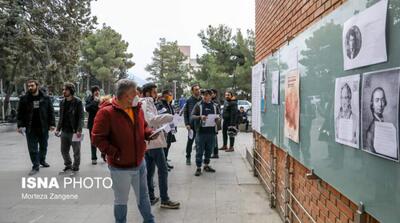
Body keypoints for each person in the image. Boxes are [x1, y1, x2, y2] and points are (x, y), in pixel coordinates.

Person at [92, 79, 155, 223]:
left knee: (143, 196)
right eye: (135, 93)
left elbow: (143, 125)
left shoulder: (136, 107)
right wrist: (116, 154)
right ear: (126, 95)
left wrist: (148, 133)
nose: (138, 95)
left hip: (140, 162)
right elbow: (97, 138)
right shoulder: (106, 113)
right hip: (120, 167)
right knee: (121, 201)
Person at [141, 83, 180, 209]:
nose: (156, 94)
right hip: (153, 142)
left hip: (150, 141)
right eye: (154, 92)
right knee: (162, 171)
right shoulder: (145, 102)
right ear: (147, 93)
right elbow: (150, 120)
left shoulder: (149, 102)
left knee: (150, 172)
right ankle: (164, 199)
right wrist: (168, 117)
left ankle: (151, 197)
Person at [17, 80, 55, 175]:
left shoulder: (45, 98)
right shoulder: (24, 99)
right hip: (30, 127)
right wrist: (20, 125)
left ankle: (42, 160)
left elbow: (51, 111)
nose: (30, 87)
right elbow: (20, 113)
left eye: (32, 85)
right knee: (32, 148)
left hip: (43, 126)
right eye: (28, 86)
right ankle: (35, 166)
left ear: (37, 86)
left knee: (43, 146)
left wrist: (52, 124)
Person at [55, 83, 84, 174]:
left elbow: (81, 117)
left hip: (75, 131)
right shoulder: (62, 102)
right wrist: (58, 129)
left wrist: (79, 130)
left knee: (76, 151)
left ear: (71, 90)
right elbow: (61, 117)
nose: (63, 91)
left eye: (65, 90)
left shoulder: (78, 102)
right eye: (63, 90)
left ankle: (75, 168)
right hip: (64, 131)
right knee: (64, 150)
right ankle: (68, 165)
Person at [191, 89, 220, 176]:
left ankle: (206, 165)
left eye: (207, 95)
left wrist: (217, 119)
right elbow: (192, 116)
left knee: (209, 150)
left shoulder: (215, 106)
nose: (205, 96)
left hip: (211, 132)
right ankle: (198, 167)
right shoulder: (198, 105)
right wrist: (200, 117)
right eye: (204, 95)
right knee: (199, 150)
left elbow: (219, 116)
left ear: (211, 96)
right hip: (201, 132)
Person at [156, 89, 176, 171]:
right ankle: (163, 164)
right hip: (164, 129)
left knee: (168, 146)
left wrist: (174, 128)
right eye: (169, 95)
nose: (170, 96)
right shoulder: (160, 104)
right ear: (164, 95)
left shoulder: (169, 104)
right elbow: (160, 115)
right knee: (164, 147)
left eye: (171, 95)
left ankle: (165, 161)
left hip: (170, 128)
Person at [183, 84, 202, 165]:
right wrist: (187, 124)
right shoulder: (189, 100)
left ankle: (199, 158)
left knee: (199, 143)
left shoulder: (202, 99)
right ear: (192, 91)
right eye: (196, 89)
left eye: (198, 89)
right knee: (190, 142)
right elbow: (185, 113)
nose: (198, 91)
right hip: (191, 125)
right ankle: (188, 157)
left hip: (200, 125)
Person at [85, 85, 104, 165]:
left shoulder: (102, 99)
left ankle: (103, 154)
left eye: (98, 90)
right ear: (92, 92)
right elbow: (87, 108)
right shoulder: (89, 99)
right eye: (95, 90)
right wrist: (95, 102)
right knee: (93, 140)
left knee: (102, 140)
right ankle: (94, 158)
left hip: (101, 123)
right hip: (92, 123)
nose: (97, 92)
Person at [365, 87, 387, 153]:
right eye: (377, 100)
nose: (380, 104)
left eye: (382, 100)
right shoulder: (371, 130)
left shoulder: (383, 123)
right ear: (372, 104)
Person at [210, 89, 221, 159]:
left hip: (214, 122)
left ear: (215, 94)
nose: (211, 95)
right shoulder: (213, 101)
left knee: (214, 138)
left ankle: (215, 153)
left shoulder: (216, 102)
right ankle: (214, 152)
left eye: (212, 93)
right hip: (212, 122)